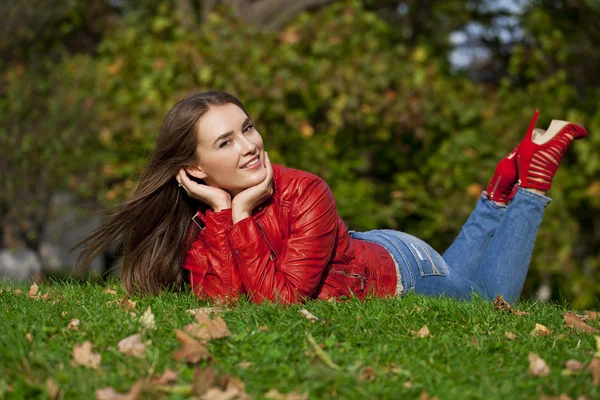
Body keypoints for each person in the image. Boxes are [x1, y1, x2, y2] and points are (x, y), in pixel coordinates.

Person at [75, 92, 588, 304]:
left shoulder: (305, 189)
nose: (250, 145)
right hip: (362, 247)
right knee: (473, 286)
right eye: (225, 142)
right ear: (193, 170)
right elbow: (229, 303)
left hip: (401, 268)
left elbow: (280, 300)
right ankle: (499, 190)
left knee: (490, 301)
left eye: (247, 128)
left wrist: (241, 212)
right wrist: (227, 213)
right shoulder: (199, 220)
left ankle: (533, 180)